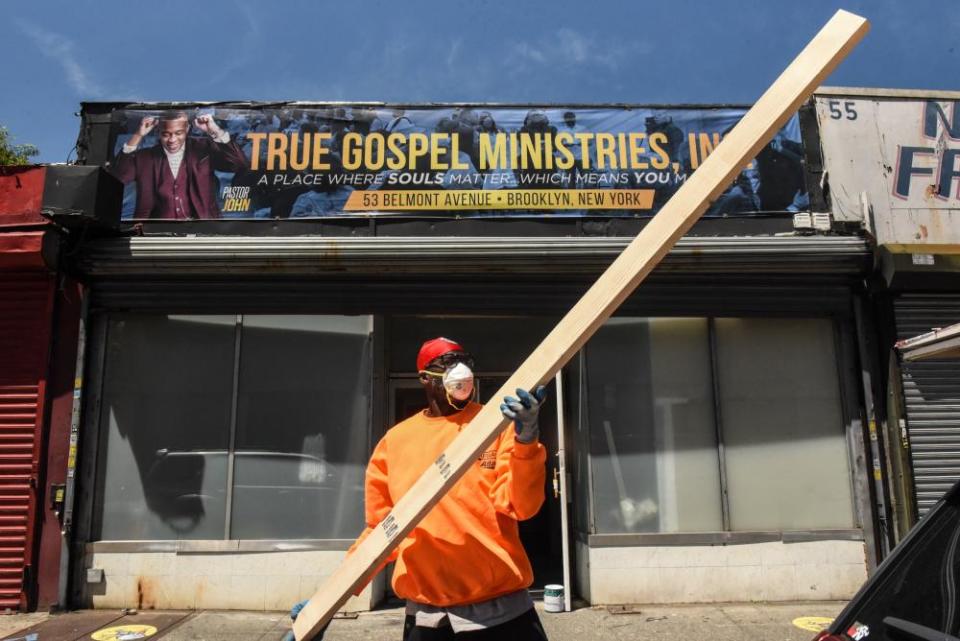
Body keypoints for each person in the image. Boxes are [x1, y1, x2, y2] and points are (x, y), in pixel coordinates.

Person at [286, 337, 550, 641]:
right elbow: (381, 532)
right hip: (427, 620)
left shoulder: (495, 424)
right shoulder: (396, 442)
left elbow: (522, 505)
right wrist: (327, 603)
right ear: (424, 377)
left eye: (462, 360)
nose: (459, 370)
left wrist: (527, 440)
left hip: (502, 614)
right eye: (446, 363)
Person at [109, 111, 248, 219]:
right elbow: (118, 179)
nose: (172, 140)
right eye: (166, 134)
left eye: (178, 133)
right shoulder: (144, 157)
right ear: (158, 132)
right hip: (155, 234)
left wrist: (215, 131)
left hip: (204, 230)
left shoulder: (204, 148)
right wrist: (138, 135)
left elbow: (239, 164)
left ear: (187, 129)